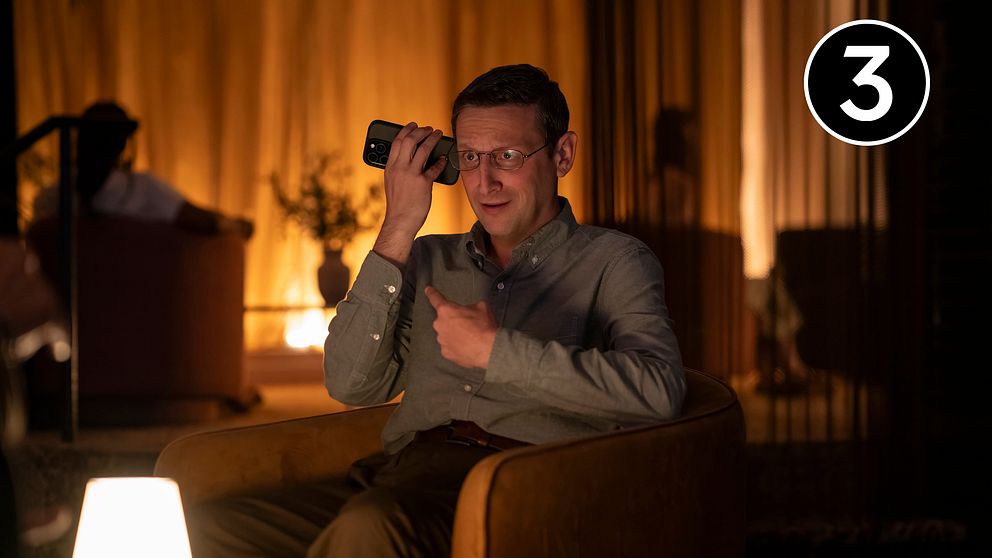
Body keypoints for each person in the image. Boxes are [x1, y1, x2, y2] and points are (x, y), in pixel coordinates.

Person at [189, 63, 685, 557]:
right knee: (200, 525)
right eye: (469, 157)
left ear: (562, 154)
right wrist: (398, 228)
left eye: (507, 156)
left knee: (369, 526)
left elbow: (660, 393)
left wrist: (498, 353)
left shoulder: (615, 261)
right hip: (398, 475)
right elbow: (349, 384)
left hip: (518, 490)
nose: (484, 182)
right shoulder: (426, 258)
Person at [32, 101, 253, 239]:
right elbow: (201, 221)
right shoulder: (143, 189)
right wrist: (235, 225)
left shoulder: (50, 199)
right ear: (122, 145)